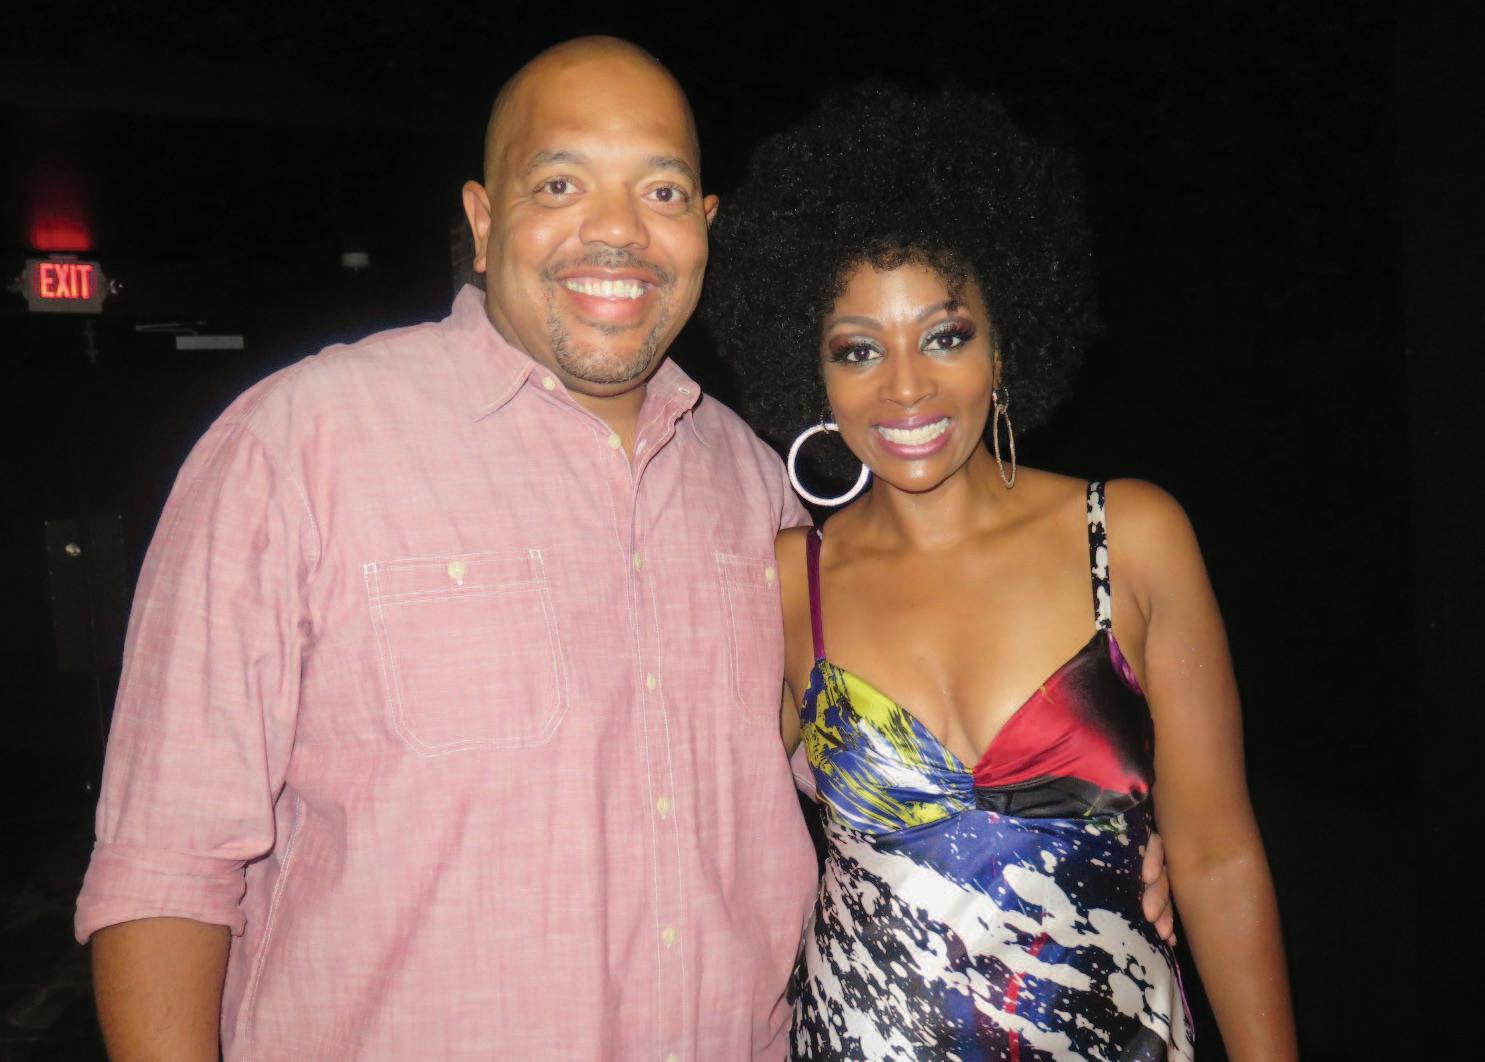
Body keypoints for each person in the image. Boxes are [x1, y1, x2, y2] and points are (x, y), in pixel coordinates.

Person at [75, 38, 1173, 1060]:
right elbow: (163, 869)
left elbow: (880, 772)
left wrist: (1088, 821)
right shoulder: (298, 447)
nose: (619, 233)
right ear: (483, 220)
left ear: (705, 226)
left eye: (660, 192)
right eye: (560, 185)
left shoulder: (755, 487)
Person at [704, 85, 1297, 1060]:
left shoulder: (1130, 537)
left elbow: (1218, 857)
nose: (905, 386)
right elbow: (700, 827)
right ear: (812, 373)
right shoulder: (789, 579)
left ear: (1004, 340)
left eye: (946, 335)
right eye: (858, 349)